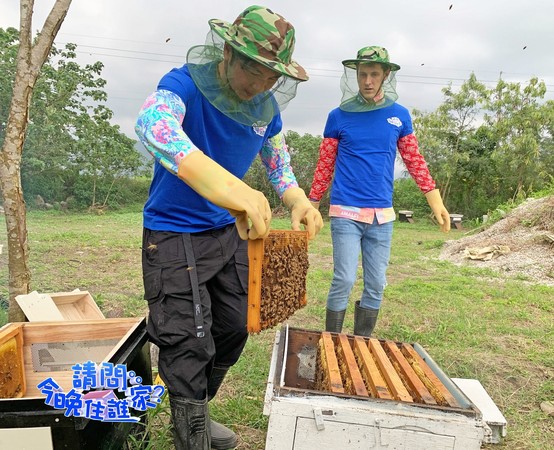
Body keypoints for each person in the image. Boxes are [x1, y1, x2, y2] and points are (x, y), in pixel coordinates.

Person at [135, 6, 323, 449]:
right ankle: (191, 437)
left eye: (271, 76)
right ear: (227, 52)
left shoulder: (266, 105)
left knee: (235, 325)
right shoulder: (184, 84)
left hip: (228, 234)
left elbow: (276, 158)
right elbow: (152, 124)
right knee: (187, 338)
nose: (260, 84)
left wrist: (296, 197)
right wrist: (230, 189)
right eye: (254, 70)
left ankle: (197, 410)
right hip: (174, 232)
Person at [308, 46, 450, 338]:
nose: (368, 81)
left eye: (374, 74)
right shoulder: (338, 116)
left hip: (381, 217)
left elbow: (414, 159)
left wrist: (434, 199)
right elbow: (325, 164)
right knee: (344, 279)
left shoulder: (399, 116)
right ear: (355, 76)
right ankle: (332, 342)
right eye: (363, 74)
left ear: (386, 75)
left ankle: (362, 344)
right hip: (346, 212)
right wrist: (311, 204)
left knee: (376, 284)